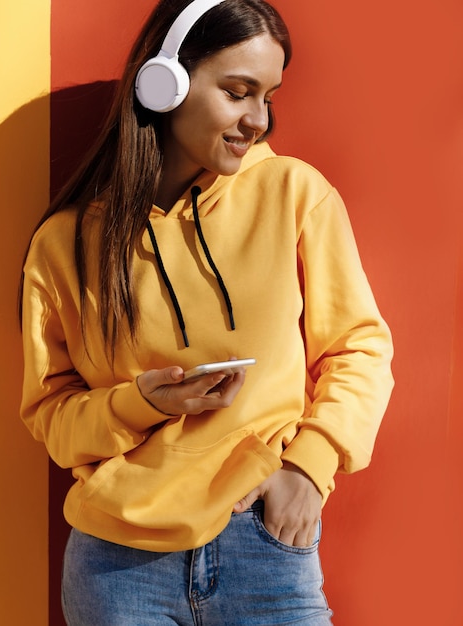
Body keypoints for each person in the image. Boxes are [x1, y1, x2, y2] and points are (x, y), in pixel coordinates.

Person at [20, 0, 394, 623]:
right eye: (238, 91)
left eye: (268, 96)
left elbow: (360, 347)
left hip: (265, 544)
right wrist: (141, 402)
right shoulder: (65, 244)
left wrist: (309, 467)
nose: (257, 119)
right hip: (118, 568)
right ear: (163, 85)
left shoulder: (294, 192)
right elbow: (50, 414)